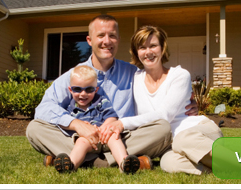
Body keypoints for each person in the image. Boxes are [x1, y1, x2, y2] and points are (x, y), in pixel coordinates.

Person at [26, 15, 198, 169]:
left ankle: (75, 160)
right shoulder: (75, 75)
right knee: (34, 129)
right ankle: (121, 161)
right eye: (101, 35)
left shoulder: (133, 73)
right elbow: (43, 108)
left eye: (112, 36)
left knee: (162, 128)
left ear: (118, 40)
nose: (107, 41)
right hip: (81, 138)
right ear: (89, 40)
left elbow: (159, 91)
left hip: (122, 138)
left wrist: (184, 102)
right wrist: (76, 124)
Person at [100, 25, 223, 175]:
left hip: (196, 132)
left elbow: (164, 115)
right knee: (168, 163)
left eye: (153, 46)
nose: (148, 52)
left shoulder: (179, 75)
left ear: (162, 48)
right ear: (136, 52)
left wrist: (122, 123)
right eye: (142, 47)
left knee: (183, 139)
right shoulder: (134, 78)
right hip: (171, 144)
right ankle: (218, 169)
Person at [54, 65, 140, 174]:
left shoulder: (101, 101)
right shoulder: (70, 108)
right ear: (70, 90)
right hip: (86, 140)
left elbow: (111, 117)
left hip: (105, 137)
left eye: (89, 89)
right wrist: (79, 125)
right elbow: (65, 123)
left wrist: (104, 129)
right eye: (77, 89)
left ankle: (124, 163)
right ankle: (71, 166)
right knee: (81, 141)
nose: (83, 94)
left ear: (96, 90)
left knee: (114, 137)